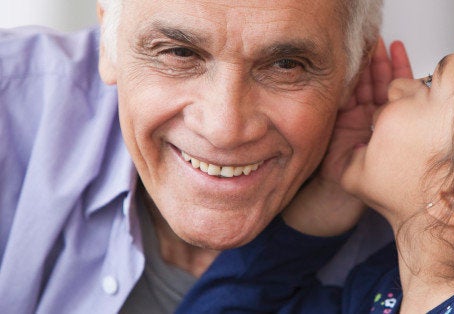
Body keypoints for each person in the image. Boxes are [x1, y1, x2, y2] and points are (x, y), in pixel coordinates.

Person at [178, 5, 454, 313]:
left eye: (431, 82)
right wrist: (321, 209)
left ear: (452, 194)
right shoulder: (378, 292)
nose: (397, 87)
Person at [0, 0, 412, 312]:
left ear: (355, 67)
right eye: (180, 53)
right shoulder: (10, 103)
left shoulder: (430, 233)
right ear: (109, 40)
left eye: (287, 65)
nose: (225, 129)